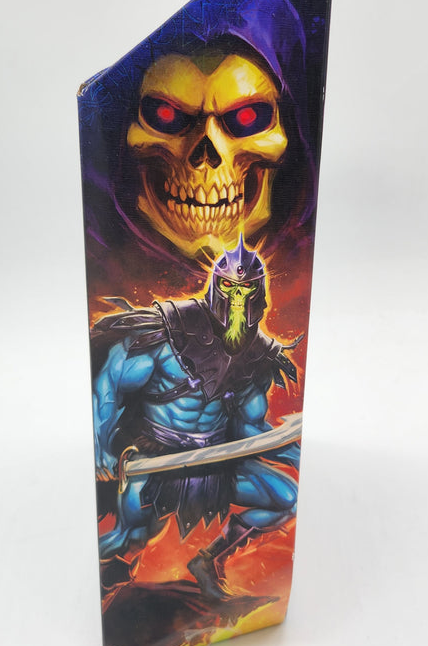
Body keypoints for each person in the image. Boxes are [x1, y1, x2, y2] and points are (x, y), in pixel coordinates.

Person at [91, 237, 300, 600]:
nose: (237, 300)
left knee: (286, 498)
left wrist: (294, 452)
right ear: (217, 287)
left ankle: (209, 560)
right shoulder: (170, 330)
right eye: (231, 289)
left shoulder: (257, 355)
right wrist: (101, 446)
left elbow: (250, 429)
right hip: (158, 458)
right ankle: (102, 574)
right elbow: (110, 380)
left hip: (215, 461)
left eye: (246, 290)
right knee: (133, 537)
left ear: (259, 293)